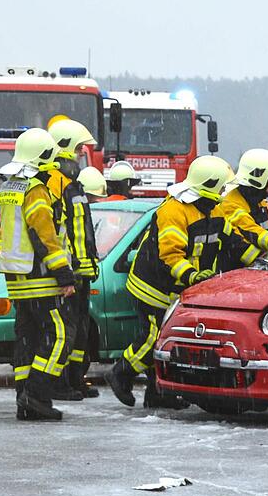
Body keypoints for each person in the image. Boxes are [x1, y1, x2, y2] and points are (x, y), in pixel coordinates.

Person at [105, 156, 255, 409]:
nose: (223, 192)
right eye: (220, 187)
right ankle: (120, 373)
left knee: (169, 340)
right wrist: (193, 277)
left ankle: (158, 395)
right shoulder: (173, 211)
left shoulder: (213, 209)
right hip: (152, 287)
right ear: (209, 185)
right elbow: (170, 255)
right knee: (153, 338)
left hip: (180, 289)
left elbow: (234, 242)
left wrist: (262, 260)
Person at [0, 128, 77, 421]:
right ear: (44, 159)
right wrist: (64, 274)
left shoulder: (8, 188)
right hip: (40, 277)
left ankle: (24, 400)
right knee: (60, 335)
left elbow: (0, 234)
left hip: (16, 277)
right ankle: (37, 394)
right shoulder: (36, 190)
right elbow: (44, 235)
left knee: (27, 338)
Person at [46, 118, 101, 400]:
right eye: (79, 148)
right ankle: (59, 384)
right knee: (64, 332)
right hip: (66, 273)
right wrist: (64, 271)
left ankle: (76, 379)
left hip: (80, 272)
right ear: (64, 149)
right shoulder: (56, 184)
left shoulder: (73, 184)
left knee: (79, 331)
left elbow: (82, 232)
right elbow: (55, 233)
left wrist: (89, 265)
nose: (82, 153)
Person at [222, 148, 268, 264]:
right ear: (259, 179)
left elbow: (265, 234)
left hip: (255, 268)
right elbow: (253, 233)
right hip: (233, 271)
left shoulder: (258, 201)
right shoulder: (231, 205)